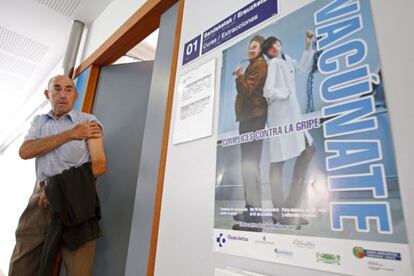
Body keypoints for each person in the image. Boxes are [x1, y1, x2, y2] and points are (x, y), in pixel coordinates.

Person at [8, 75, 107, 276]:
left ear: (75, 94)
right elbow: (25, 151)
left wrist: (57, 189)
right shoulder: (39, 122)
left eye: (69, 89)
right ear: (48, 94)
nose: (63, 94)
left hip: (76, 197)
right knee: (23, 259)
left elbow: (99, 165)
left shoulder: (89, 122)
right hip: (40, 197)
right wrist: (69, 134)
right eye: (57, 89)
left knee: (79, 266)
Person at [263, 32, 316, 227]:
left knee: (308, 149)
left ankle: (288, 208)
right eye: (271, 48)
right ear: (268, 53)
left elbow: (302, 67)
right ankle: (282, 212)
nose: (275, 48)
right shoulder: (274, 64)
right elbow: (268, 91)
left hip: (292, 117)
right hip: (280, 118)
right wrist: (284, 93)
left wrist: (307, 45)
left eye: (276, 44)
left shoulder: (286, 60)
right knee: (278, 161)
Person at [232, 35, 268, 231]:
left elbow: (245, 91)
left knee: (250, 167)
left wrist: (239, 76)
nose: (251, 49)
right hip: (248, 120)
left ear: (261, 50)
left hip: (254, 120)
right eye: (249, 46)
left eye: (255, 46)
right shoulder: (253, 65)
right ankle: (250, 211)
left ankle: (255, 221)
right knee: (248, 168)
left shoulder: (260, 65)